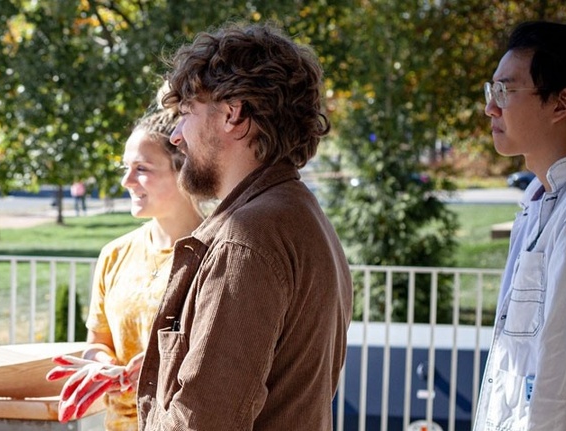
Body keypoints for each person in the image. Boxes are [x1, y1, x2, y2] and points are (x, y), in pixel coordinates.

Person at [132, 24, 352, 429]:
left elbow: (202, 421)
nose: (177, 136)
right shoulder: (298, 214)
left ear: (233, 114)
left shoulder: (246, 238)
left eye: (185, 113)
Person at [474, 21, 566, 430]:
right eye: (491, 90)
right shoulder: (546, 196)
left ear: (561, 104)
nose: (490, 107)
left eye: (505, 90)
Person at [47, 107, 203, 429]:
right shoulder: (114, 254)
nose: (126, 180)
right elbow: (98, 343)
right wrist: (103, 366)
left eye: (141, 169)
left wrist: (159, 367)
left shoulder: (216, 255)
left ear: (183, 170)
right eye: (125, 167)